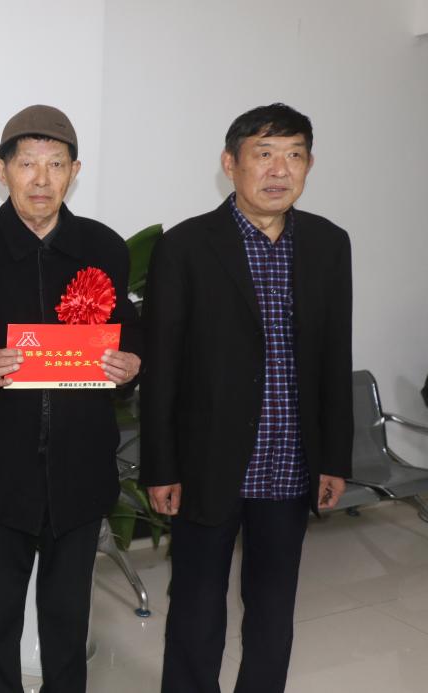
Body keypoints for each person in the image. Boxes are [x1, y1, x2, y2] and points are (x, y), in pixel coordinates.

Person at [0, 104, 141, 692]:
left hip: (80, 466)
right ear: (2, 171)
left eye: (57, 164)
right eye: (27, 164)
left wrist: (131, 364)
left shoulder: (103, 247)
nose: (42, 179)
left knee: (68, 619)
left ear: (75, 172)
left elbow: (129, 332)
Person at [141, 103, 352, 693]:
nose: (279, 170)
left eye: (294, 155)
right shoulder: (185, 246)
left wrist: (334, 457)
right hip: (207, 463)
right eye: (264, 154)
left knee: (274, 607)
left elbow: (335, 357)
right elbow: (162, 367)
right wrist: (161, 465)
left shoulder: (329, 244)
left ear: (309, 165)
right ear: (230, 164)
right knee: (197, 607)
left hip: (291, 460)